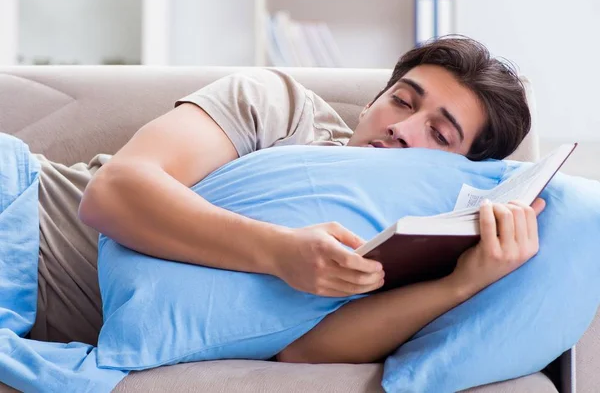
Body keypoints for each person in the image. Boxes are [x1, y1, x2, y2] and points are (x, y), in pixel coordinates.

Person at [29, 36, 545, 364]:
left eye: (439, 132)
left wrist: (462, 285)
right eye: (401, 102)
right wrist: (281, 253)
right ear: (373, 101)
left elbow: (303, 351)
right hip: (27, 219)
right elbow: (113, 193)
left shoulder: (416, 239)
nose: (401, 129)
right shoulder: (279, 108)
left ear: (461, 169)